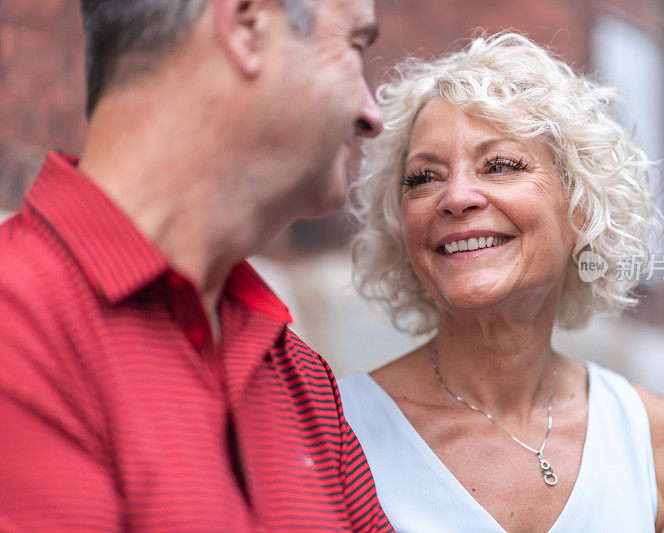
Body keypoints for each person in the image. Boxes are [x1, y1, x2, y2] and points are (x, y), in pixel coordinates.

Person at [0, 0, 393, 531]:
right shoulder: (17, 324)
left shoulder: (301, 377)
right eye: (353, 46)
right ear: (248, 25)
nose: (373, 116)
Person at [340, 32, 664, 532]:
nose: (457, 197)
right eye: (424, 177)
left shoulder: (654, 436)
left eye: (501, 165)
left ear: (581, 209)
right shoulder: (336, 431)